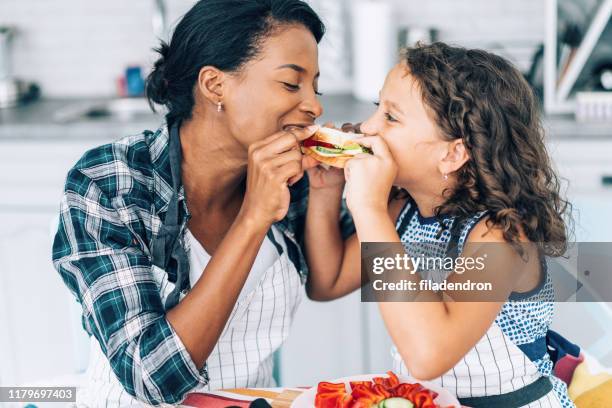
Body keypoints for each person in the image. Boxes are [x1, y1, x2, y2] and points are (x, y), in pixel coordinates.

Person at [51, 0, 354, 405]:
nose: (315, 106)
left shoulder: (295, 176)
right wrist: (253, 217)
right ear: (214, 85)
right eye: (290, 83)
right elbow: (151, 379)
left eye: (314, 87)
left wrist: (336, 190)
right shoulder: (108, 182)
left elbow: (327, 281)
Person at [309, 42, 576, 407]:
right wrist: (326, 191)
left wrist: (369, 208)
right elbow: (328, 281)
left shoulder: (500, 235)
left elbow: (428, 354)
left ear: (452, 153)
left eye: (391, 117)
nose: (367, 128)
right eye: (377, 108)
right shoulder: (404, 210)